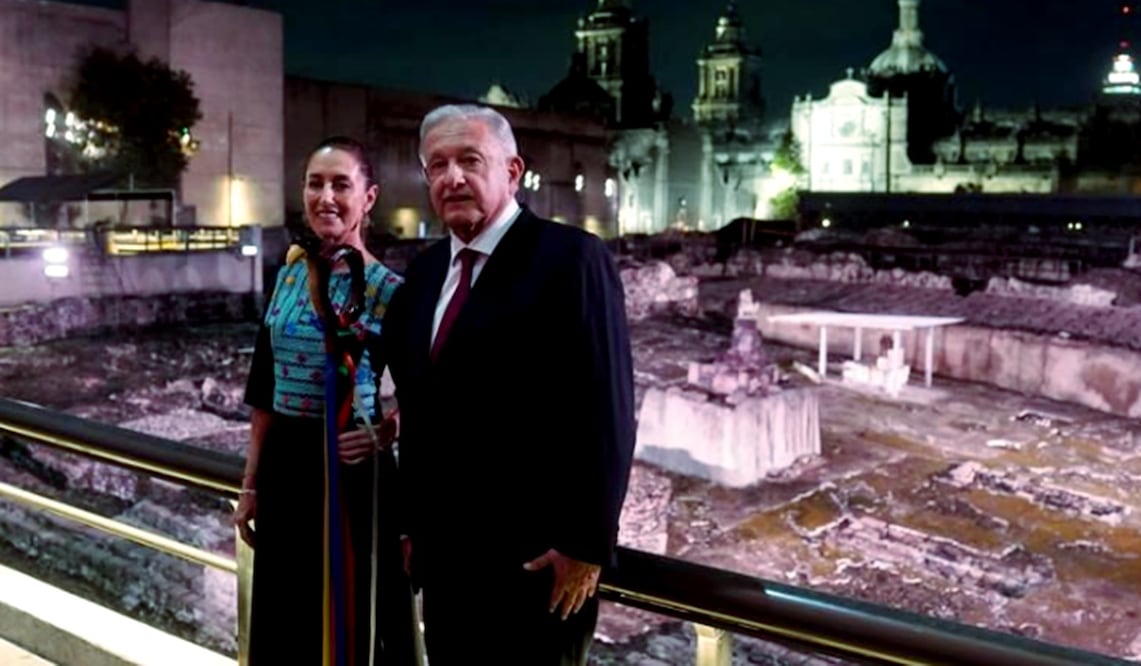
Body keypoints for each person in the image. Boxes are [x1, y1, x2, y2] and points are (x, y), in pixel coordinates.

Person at [380, 104, 636, 665]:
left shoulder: (571, 258)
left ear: (513, 171)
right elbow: (420, 413)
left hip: (537, 567)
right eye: (438, 166)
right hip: (444, 564)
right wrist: (409, 526)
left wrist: (586, 543)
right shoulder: (422, 277)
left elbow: (607, 409)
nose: (453, 178)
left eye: (470, 161)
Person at [235, 136, 418, 665]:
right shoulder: (289, 275)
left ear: (369, 197)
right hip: (286, 471)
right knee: (287, 619)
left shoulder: (390, 290)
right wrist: (250, 485)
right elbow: (263, 391)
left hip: (354, 475)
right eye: (316, 183)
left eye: (342, 184)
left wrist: (387, 430)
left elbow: (422, 394)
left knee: (354, 622)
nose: (326, 196)